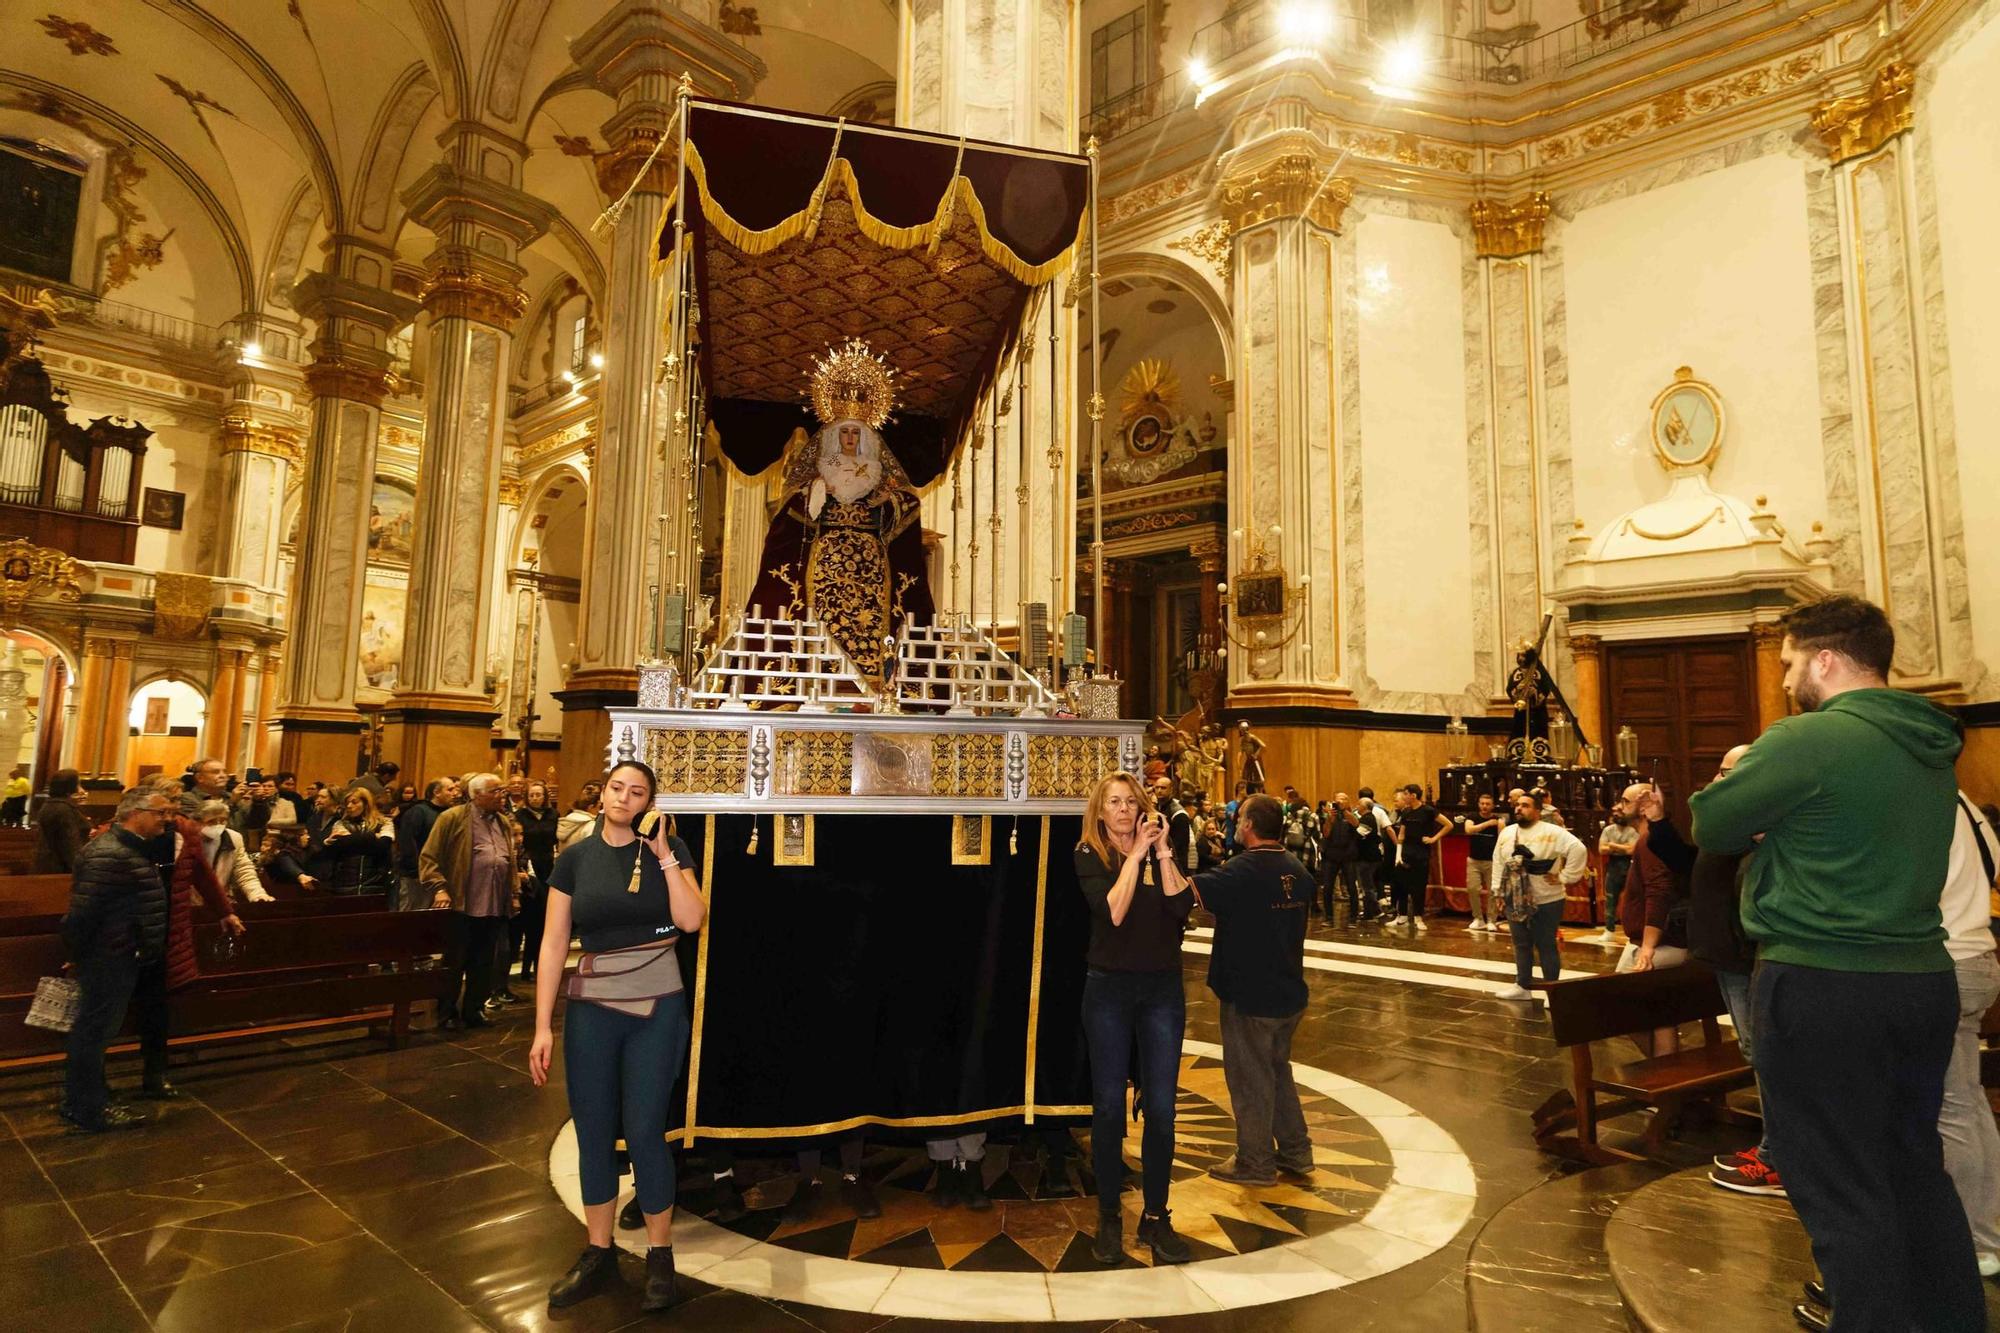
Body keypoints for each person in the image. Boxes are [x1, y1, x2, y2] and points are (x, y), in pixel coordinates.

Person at [1688, 594, 1980, 1333]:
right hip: (1921, 978)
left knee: (1839, 1187)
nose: (1785, 681)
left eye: (1788, 663)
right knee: (1914, 1168)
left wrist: (1752, 781)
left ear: (1824, 658)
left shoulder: (1807, 739)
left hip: (1823, 980)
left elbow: (1711, 822)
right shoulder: (1929, 743)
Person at [529, 761, 705, 1313]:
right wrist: (542, 1026)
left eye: (638, 792)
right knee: (593, 1130)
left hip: (657, 1009)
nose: (625, 799)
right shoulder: (576, 859)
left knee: (647, 1131)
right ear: (602, 793)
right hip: (592, 1012)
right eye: (617, 788)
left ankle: (659, 1256)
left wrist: (666, 856)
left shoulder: (669, 850)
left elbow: (692, 920)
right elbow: (555, 944)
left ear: (651, 801)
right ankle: (598, 1252)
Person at [1074, 771, 1194, 1266]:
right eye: (1114, 803)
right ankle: (1107, 1215)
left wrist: (1163, 852)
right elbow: (1113, 913)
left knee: (1162, 1108)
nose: (1123, 810)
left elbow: (1181, 907)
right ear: (1100, 813)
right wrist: (1135, 857)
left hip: (1162, 990)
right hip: (1109, 990)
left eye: (1130, 802)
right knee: (1107, 1107)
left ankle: (1156, 1217)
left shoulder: (1160, 850)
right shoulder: (1088, 855)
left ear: (1144, 808)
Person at [1196, 793, 1313, 1186]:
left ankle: (1255, 1163)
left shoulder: (1241, 870)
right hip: (1288, 991)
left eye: (1239, 817)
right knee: (1278, 1073)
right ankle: (1297, 1152)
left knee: (1250, 1080)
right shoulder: (1295, 867)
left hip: (1250, 994)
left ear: (1246, 825)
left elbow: (1189, 892)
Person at [1689, 745, 1783, 1197]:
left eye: (1730, 772)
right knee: (1756, 1052)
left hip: (1745, 955)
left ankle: (1776, 1156)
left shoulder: (1752, 821)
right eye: (1720, 771)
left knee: (1764, 1055)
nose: (1719, 781)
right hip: (1727, 954)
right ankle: (1773, 1148)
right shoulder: (1733, 822)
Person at [59, 786, 174, 1132]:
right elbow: (83, 914)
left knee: (99, 1031)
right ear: (135, 813)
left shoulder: (130, 849)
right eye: (161, 813)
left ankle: (91, 1096)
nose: (167, 820)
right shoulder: (109, 853)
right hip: (108, 956)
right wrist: (77, 955)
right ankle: (86, 1107)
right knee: (93, 1032)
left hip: (122, 952)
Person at [138, 778, 245, 1097]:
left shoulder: (186, 834)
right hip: (132, 935)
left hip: (169, 933)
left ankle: (155, 1075)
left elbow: (202, 875)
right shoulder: (123, 836)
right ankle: (93, 1084)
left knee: (159, 1008)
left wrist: (224, 911)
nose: (170, 813)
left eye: (174, 805)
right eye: (165, 806)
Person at [1936, 794, 2000, 1275]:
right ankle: (1989, 1232)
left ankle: (1976, 1244)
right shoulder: (1963, 802)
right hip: (1979, 954)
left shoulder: (1922, 798)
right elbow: (1994, 859)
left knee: (1952, 1108)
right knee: (1970, 1103)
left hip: (1948, 959)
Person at [420, 773, 520, 1029]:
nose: (502, 796)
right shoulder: (452, 818)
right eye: (496, 791)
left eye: (502, 791)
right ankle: (447, 1013)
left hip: (494, 903)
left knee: (484, 962)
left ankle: (474, 1009)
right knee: (455, 961)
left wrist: (514, 893)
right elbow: (429, 857)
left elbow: (510, 860)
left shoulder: (503, 822)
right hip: (462, 903)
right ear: (476, 795)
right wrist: (440, 888)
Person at [1617, 781, 1696, 1057]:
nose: (1618, 806)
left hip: (1658, 943)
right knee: (1661, 1016)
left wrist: (1648, 946)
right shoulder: (1649, 839)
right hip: (1664, 940)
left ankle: (1665, 1077)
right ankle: (1669, 1081)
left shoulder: (1648, 840)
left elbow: (1659, 891)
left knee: (1616, 1007)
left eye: (1625, 801)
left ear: (1641, 808)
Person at [1490, 791, 1586, 1001]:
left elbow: (1578, 849)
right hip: (1514, 898)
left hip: (1547, 900)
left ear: (1537, 811)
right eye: (1517, 805)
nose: (1518, 808)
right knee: (1521, 944)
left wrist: (1565, 876)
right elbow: (1498, 861)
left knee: (1545, 945)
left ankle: (1553, 993)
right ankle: (1522, 986)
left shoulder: (1553, 832)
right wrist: (1498, 891)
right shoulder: (1507, 832)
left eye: (1525, 805)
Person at [513, 781, 558, 985]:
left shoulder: (553, 814)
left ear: (545, 796)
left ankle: (538, 967)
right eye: (531, 795)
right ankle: (523, 968)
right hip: (527, 867)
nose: (534, 798)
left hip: (547, 868)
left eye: (538, 794)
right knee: (528, 920)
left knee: (542, 922)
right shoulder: (520, 816)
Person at [1388, 784, 1450, 930]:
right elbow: (1401, 834)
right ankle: (1401, 916)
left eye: (1406, 794)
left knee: (1418, 886)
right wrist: (1398, 854)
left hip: (1421, 853)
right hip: (1405, 853)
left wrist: (1433, 839)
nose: (1404, 797)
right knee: (1401, 885)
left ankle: (1418, 917)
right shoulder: (1406, 812)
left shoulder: (1428, 811)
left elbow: (1448, 825)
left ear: (1413, 795)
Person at [395, 777, 456, 911]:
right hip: (417, 878)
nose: (455, 793)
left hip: (441, 877)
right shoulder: (418, 812)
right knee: (413, 918)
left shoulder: (450, 814)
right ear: (436, 792)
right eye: (450, 789)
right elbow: (408, 844)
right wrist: (419, 873)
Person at [196, 799, 272, 906]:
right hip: (191, 902)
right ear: (197, 822)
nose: (218, 825)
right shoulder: (186, 839)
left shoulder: (234, 838)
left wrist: (257, 894)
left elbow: (243, 870)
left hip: (221, 901)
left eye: (222, 820)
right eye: (211, 821)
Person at [322, 787, 396, 895]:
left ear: (366, 804)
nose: (349, 806)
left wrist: (352, 840)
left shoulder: (385, 822)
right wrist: (372, 837)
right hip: (345, 885)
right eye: (347, 803)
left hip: (376, 884)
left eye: (354, 802)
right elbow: (342, 844)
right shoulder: (341, 824)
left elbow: (383, 846)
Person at [1460, 793, 1505, 931]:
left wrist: (1496, 824)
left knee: (1492, 890)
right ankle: (1478, 918)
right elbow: (1468, 830)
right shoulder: (1472, 817)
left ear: (1492, 806)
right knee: (1473, 889)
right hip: (1474, 860)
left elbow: (1503, 837)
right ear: (1479, 804)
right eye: (1482, 803)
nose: (1484, 806)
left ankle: (1491, 919)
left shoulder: (1498, 820)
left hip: (1491, 861)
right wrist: (1487, 824)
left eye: (1487, 804)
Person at [31, 768, 89, 873]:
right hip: (59, 866)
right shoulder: (64, 809)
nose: (81, 789)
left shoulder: (50, 804)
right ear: (70, 786)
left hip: (49, 862)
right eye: (78, 784)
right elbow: (69, 841)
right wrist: (80, 868)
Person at [1597, 802, 1639, 943]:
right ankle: (1609, 930)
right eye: (1614, 811)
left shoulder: (1632, 831)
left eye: (1620, 811)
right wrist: (1622, 847)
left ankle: (1632, 931)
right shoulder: (1608, 830)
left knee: (1631, 899)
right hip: (1614, 865)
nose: (1616, 814)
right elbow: (1602, 849)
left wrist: (1613, 845)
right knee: (1610, 899)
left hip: (1628, 865)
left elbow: (1632, 850)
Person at [1320, 795, 1360, 919]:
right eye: (1338, 799)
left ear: (1348, 802)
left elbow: (1356, 824)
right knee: (1327, 887)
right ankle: (1329, 916)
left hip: (1348, 856)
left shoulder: (1352, 815)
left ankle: (1353, 916)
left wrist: (1345, 812)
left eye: (1343, 799)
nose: (1340, 801)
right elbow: (1326, 834)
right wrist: (1330, 819)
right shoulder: (1329, 816)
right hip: (1331, 856)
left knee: (1351, 887)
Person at [1352, 797, 1387, 921]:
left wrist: (1351, 829)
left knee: (1367, 886)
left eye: (1359, 804)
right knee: (1367, 885)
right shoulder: (1366, 818)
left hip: (1368, 858)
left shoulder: (1368, 819)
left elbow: (1358, 834)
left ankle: (1376, 911)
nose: (1356, 806)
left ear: (1365, 807)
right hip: (1370, 857)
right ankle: (1369, 912)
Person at [556, 786, 600, 855]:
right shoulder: (590, 825)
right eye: (598, 807)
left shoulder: (568, 818)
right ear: (591, 807)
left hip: (563, 862)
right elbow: (592, 852)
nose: (599, 811)